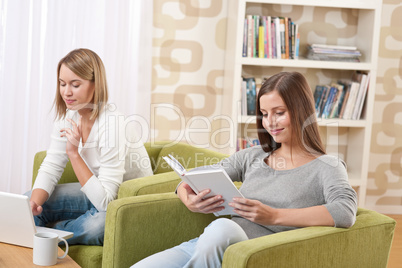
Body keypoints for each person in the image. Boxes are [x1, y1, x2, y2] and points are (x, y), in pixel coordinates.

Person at [132, 71, 358, 267]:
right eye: (265, 114)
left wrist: (274, 216)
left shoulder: (327, 166)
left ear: (301, 111)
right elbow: (194, 177)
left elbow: (344, 211)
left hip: (249, 254)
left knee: (223, 228)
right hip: (208, 246)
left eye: (279, 112)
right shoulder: (253, 156)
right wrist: (186, 196)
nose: (270, 122)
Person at [26, 48, 153, 245]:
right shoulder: (68, 117)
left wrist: (73, 153)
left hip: (125, 200)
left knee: (97, 226)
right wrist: (34, 204)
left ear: (96, 85)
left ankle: (46, 236)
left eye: (75, 85)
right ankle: (47, 232)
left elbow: (106, 202)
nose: (66, 92)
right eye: (62, 84)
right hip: (99, 190)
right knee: (26, 200)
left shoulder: (112, 124)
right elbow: (52, 165)